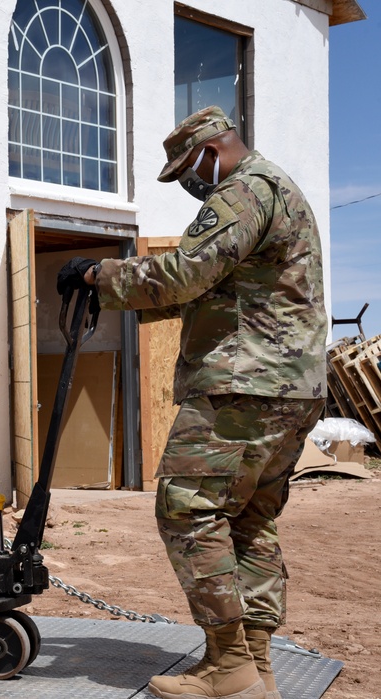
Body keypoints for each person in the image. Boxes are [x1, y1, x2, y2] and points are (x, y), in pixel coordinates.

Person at [57, 105, 326, 699]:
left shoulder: (243, 191)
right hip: (292, 386)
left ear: (211, 150)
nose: (188, 182)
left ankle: (228, 669)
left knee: (187, 508)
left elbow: (187, 271)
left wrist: (99, 275)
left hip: (244, 384)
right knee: (249, 520)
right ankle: (255, 667)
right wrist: (120, 294)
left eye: (187, 169)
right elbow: (213, 291)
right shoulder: (279, 190)